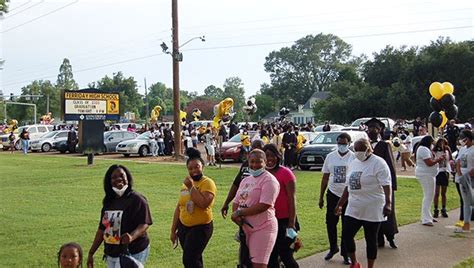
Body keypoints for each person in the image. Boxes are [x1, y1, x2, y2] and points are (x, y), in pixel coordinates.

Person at [335, 138, 392, 268]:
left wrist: (388, 203)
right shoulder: (354, 162)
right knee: (347, 235)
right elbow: (348, 186)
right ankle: (354, 263)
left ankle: (370, 266)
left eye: (361, 149)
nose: (358, 152)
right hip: (354, 206)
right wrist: (340, 203)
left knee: (371, 239)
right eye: (356, 150)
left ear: (368, 149)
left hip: (373, 206)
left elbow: (386, 185)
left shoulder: (378, 163)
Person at [87, 165, 153, 268]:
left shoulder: (137, 199)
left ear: (128, 178)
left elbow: (144, 224)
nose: (118, 179)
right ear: (109, 181)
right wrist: (91, 253)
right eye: (114, 177)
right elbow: (102, 228)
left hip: (133, 250)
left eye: (122, 176)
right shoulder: (109, 202)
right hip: (112, 252)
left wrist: (131, 236)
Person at [232, 149, 280, 268]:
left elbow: (265, 205)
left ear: (265, 162)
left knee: (258, 264)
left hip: (263, 228)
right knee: (245, 264)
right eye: (252, 162)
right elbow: (236, 201)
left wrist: (239, 212)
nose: (254, 165)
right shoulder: (246, 180)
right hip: (246, 228)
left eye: (258, 162)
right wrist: (235, 215)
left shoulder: (269, 180)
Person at [170, 148, 216, 268]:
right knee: (195, 259)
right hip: (184, 228)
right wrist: (173, 230)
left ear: (202, 166)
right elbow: (179, 207)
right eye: (190, 168)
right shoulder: (185, 184)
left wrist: (191, 187)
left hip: (200, 228)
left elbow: (203, 203)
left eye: (197, 167)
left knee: (189, 259)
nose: (194, 170)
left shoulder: (207, 183)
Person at [319, 133, 354, 265]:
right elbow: (325, 178)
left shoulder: (354, 157)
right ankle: (333, 247)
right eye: (339, 143)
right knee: (331, 222)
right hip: (333, 193)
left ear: (349, 143)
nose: (342, 146)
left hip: (349, 194)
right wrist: (321, 197)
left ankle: (345, 253)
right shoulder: (330, 156)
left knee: (347, 224)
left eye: (344, 144)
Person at [264, 144, 300, 268]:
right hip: (268, 220)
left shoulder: (285, 173)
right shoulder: (261, 175)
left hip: (285, 220)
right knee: (271, 256)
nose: (269, 159)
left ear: (278, 156)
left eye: (272, 155)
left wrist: (291, 223)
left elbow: (292, 198)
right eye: (266, 156)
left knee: (285, 254)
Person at [365, 118, 398, 248]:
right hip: (370, 185)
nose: (372, 130)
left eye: (375, 128)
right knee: (373, 213)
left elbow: (390, 166)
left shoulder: (384, 145)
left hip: (384, 185)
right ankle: (378, 238)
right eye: (370, 128)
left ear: (380, 130)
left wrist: (392, 184)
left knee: (387, 211)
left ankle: (390, 237)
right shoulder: (364, 145)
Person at [221, 139, 265, 218]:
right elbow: (236, 184)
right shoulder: (246, 164)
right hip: (243, 211)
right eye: (253, 148)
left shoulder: (266, 170)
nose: (256, 150)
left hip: (259, 214)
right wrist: (226, 203)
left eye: (259, 148)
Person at [415, 135, 445, 226]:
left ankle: (427, 215)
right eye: (432, 142)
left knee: (429, 196)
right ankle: (426, 218)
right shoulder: (423, 149)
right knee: (428, 196)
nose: (433, 144)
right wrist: (438, 159)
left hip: (429, 174)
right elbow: (429, 163)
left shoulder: (426, 149)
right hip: (425, 174)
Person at [454, 130, 473, 232]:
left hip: (471, 178)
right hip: (462, 178)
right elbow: (458, 162)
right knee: (465, 201)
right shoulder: (462, 149)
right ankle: (465, 223)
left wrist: (467, 176)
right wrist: (460, 174)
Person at [433, 138, 452, 218]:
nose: (442, 145)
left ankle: (443, 209)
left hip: (444, 172)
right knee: (436, 193)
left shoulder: (446, 151)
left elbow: (449, 160)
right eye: (440, 143)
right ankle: (436, 209)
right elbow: (434, 160)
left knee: (443, 193)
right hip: (437, 172)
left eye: (443, 143)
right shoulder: (435, 152)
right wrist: (439, 158)